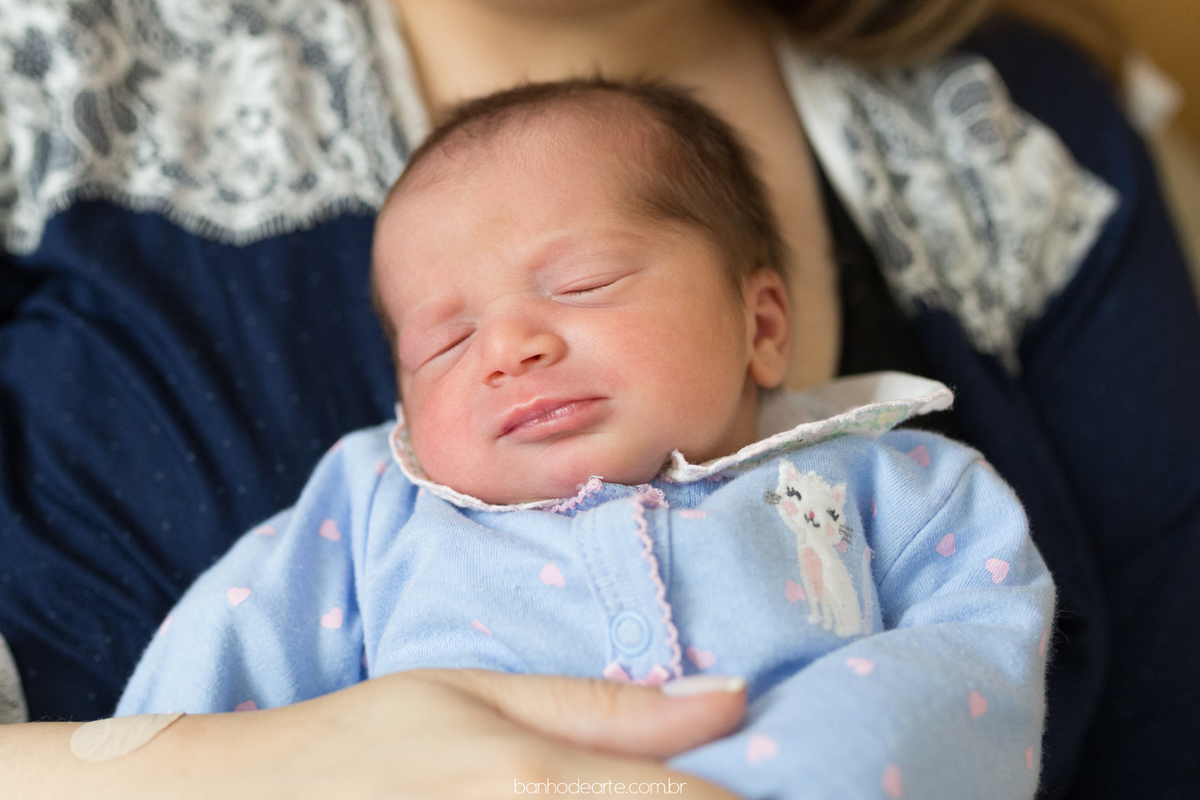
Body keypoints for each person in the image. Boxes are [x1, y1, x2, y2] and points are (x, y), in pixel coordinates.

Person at [0, 1, 1197, 798]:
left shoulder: (905, 483)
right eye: (447, 339)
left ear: (761, 321)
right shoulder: (365, 506)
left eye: (584, 285)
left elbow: (971, 662)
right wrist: (225, 768)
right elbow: (225, 650)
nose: (510, 348)